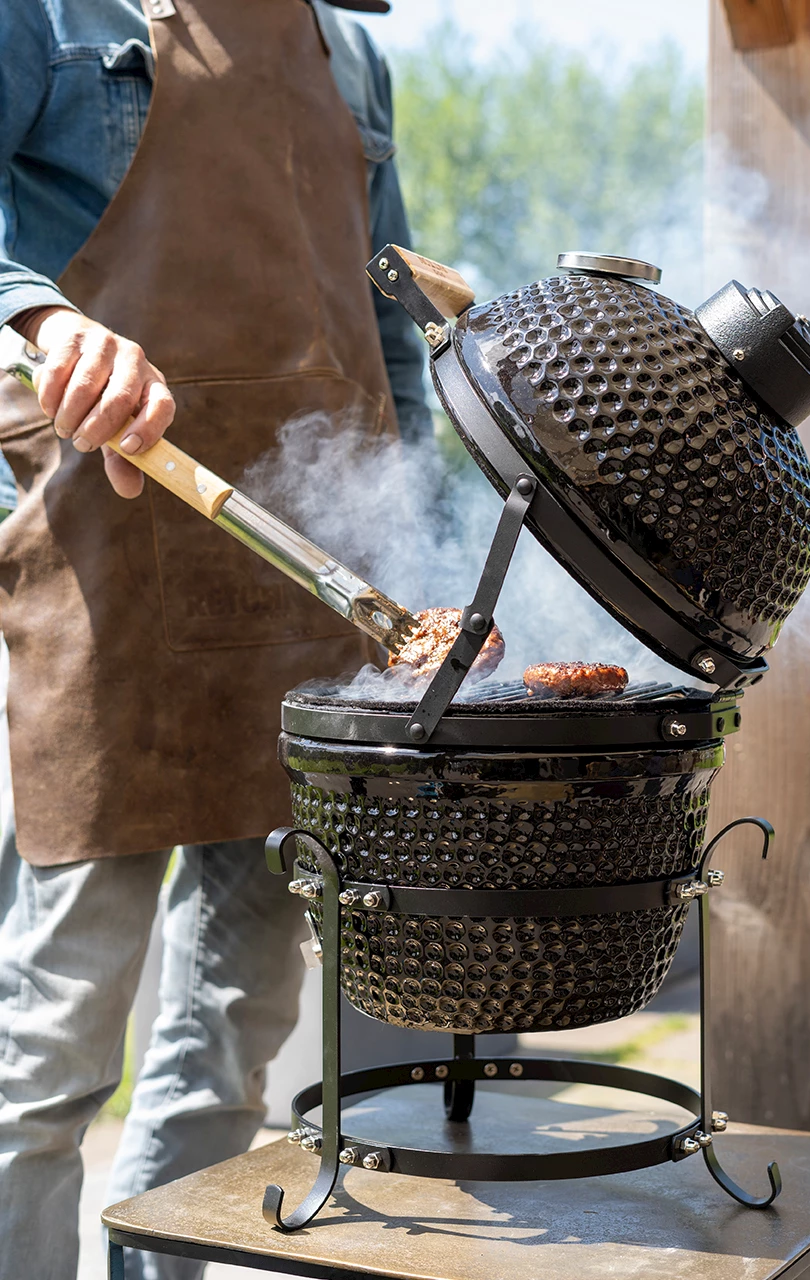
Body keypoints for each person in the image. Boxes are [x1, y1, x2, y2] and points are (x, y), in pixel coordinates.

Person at [0, 2, 431, 1277]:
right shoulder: (52, 12)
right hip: (104, 558)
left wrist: (410, 561)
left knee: (236, 1030)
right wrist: (42, 319)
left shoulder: (352, 54)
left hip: (316, 584)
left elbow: (387, 326)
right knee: (54, 1042)